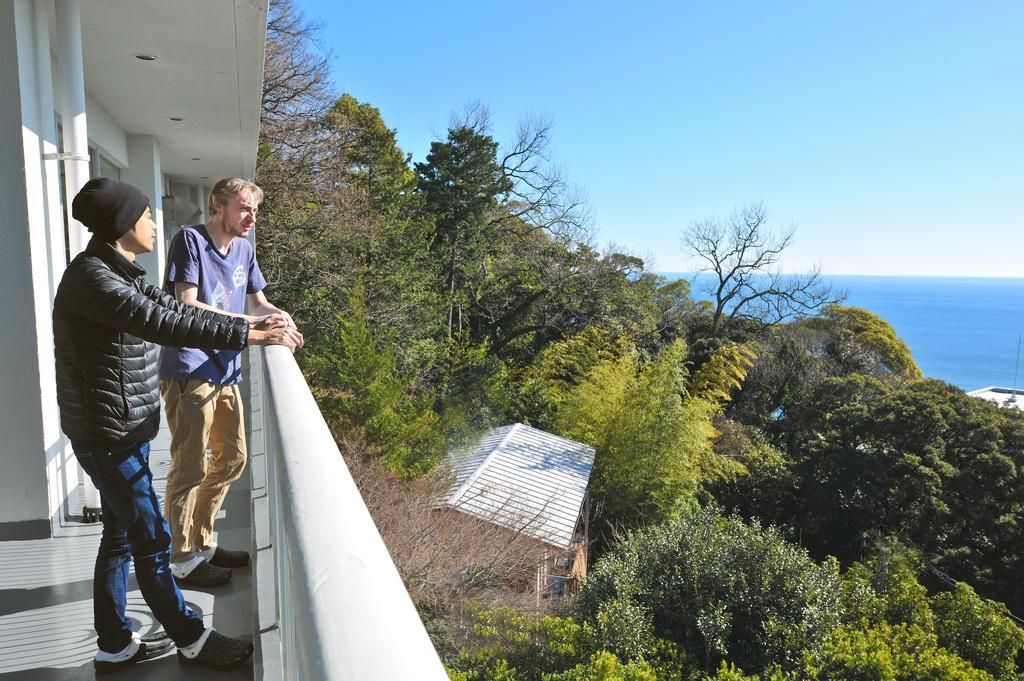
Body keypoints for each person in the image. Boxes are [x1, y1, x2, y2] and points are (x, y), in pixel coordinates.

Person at [53, 177, 301, 673]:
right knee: (150, 541)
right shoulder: (95, 281)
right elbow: (171, 323)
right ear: (123, 224)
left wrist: (254, 324)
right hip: (108, 435)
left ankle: (114, 645)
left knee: (121, 537)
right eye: (145, 215)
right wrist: (250, 336)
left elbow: (166, 306)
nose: (153, 222)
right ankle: (190, 636)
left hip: (119, 428)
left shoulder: (115, 270)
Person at [159, 177, 301, 587]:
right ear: (217, 206)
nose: (251, 217)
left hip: (225, 369)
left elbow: (259, 303)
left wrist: (281, 317)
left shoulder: (243, 249)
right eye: (243, 207)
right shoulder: (189, 240)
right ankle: (182, 558)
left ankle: (202, 542)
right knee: (189, 465)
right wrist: (254, 323)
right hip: (190, 367)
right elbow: (188, 305)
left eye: (255, 209)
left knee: (234, 457)